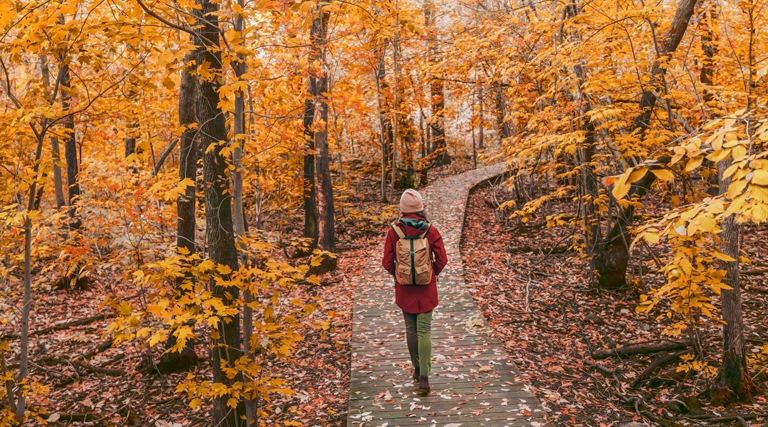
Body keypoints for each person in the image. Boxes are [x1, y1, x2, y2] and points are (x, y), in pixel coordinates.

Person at [382, 189, 448, 392]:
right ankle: (425, 378)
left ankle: (417, 368)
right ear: (421, 208)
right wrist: (430, 273)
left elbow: (386, 262)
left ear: (402, 209)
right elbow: (443, 259)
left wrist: (399, 276)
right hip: (426, 288)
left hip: (404, 289)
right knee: (424, 330)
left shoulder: (394, 231)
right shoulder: (431, 230)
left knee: (411, 329)